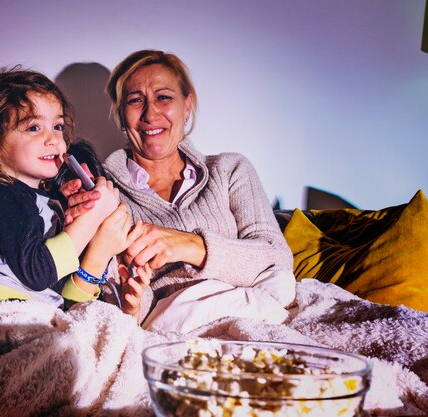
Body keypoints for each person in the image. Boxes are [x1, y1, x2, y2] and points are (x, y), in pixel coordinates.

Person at [63, 50, 296, 332]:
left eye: (163, 97)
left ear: (187, 106)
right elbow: (126, 305)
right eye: (136, 100)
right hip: (174, 326)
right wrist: (131, 305)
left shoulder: (231, 169)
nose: (150, 114)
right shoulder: (106, 195)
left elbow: (278, 259)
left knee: (282, 286)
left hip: (253, 316)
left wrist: (186, 244)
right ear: (122, 116)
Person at [0, 67, 149, 318]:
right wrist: (91, 218)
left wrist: (93, 242)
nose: (53, 139)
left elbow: (65, 301)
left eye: (58, 126)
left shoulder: (47, 204)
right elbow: (39, 273)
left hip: (29, 312)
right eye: (33, 128)